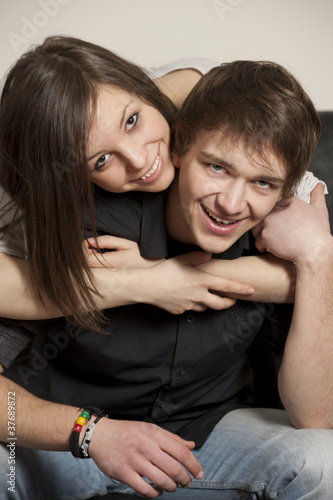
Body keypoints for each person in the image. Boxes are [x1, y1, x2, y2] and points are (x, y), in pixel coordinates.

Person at [1, 59, 332, 500]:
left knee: (321, 461)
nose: (232, 204)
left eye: (263, 183)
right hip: (68, 441)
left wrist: (319, 255)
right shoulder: (79, 222)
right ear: (178, 148)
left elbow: (316, 415)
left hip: (202, 445)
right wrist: (87, 431)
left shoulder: (276, 235)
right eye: (216, 167)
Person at [0, 36, 305, 370]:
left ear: (146, 92)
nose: (139, 159)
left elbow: (310, 270)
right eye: (101, 160)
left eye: (132, 121)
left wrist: (165, 271)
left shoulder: (195, 97)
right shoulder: (57, 210)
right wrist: (144, 283)